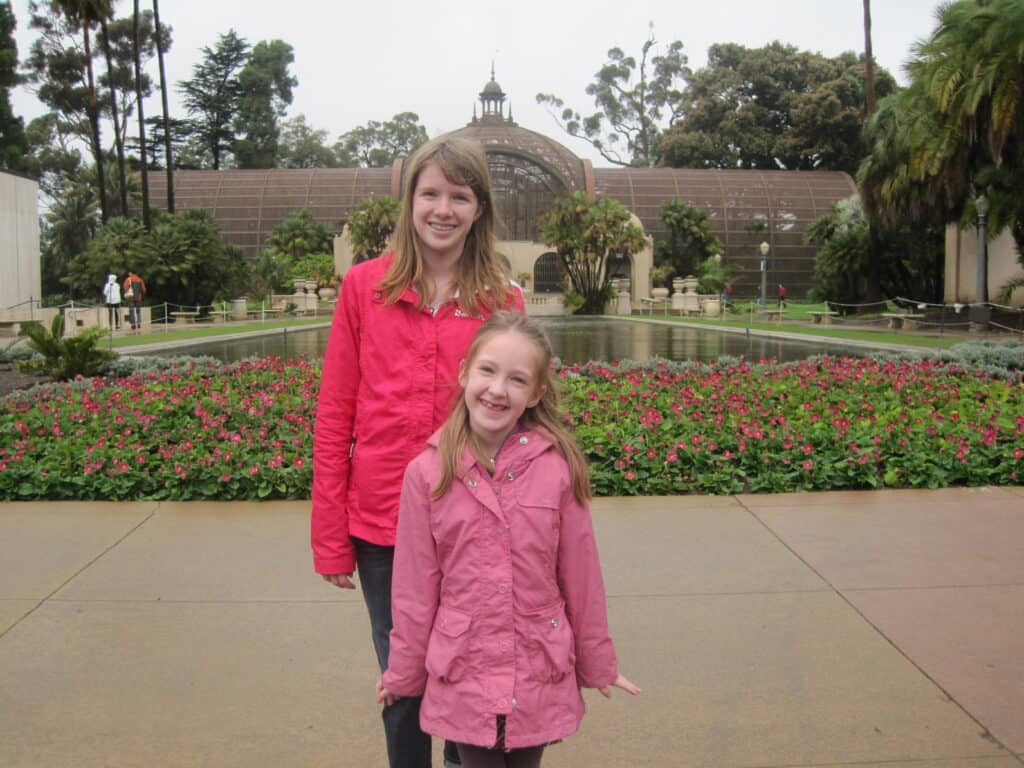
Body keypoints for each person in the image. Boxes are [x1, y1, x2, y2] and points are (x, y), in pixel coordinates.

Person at [311, 136, 525, 768]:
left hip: (470, 525)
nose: (443, 209)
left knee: (465, 677)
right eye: (430, 193)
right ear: (409, 202)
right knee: (402, 680)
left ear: (479, 208)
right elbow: (334, 418)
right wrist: (329, 536)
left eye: (459, 196)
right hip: (381, 525)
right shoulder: (364, 288)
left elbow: (518, 421)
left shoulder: (500, 300)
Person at [378, 312, 640, 768]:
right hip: (465, 664)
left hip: (536, 663)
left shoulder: (556, 469)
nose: (497, 390)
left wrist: (598, 661)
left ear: (536, 393)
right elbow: (414, 588)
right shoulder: (427, 473)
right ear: (464, 373)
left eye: (516, 379)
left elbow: (581, 575)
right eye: (487, 371)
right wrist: (403, 672)